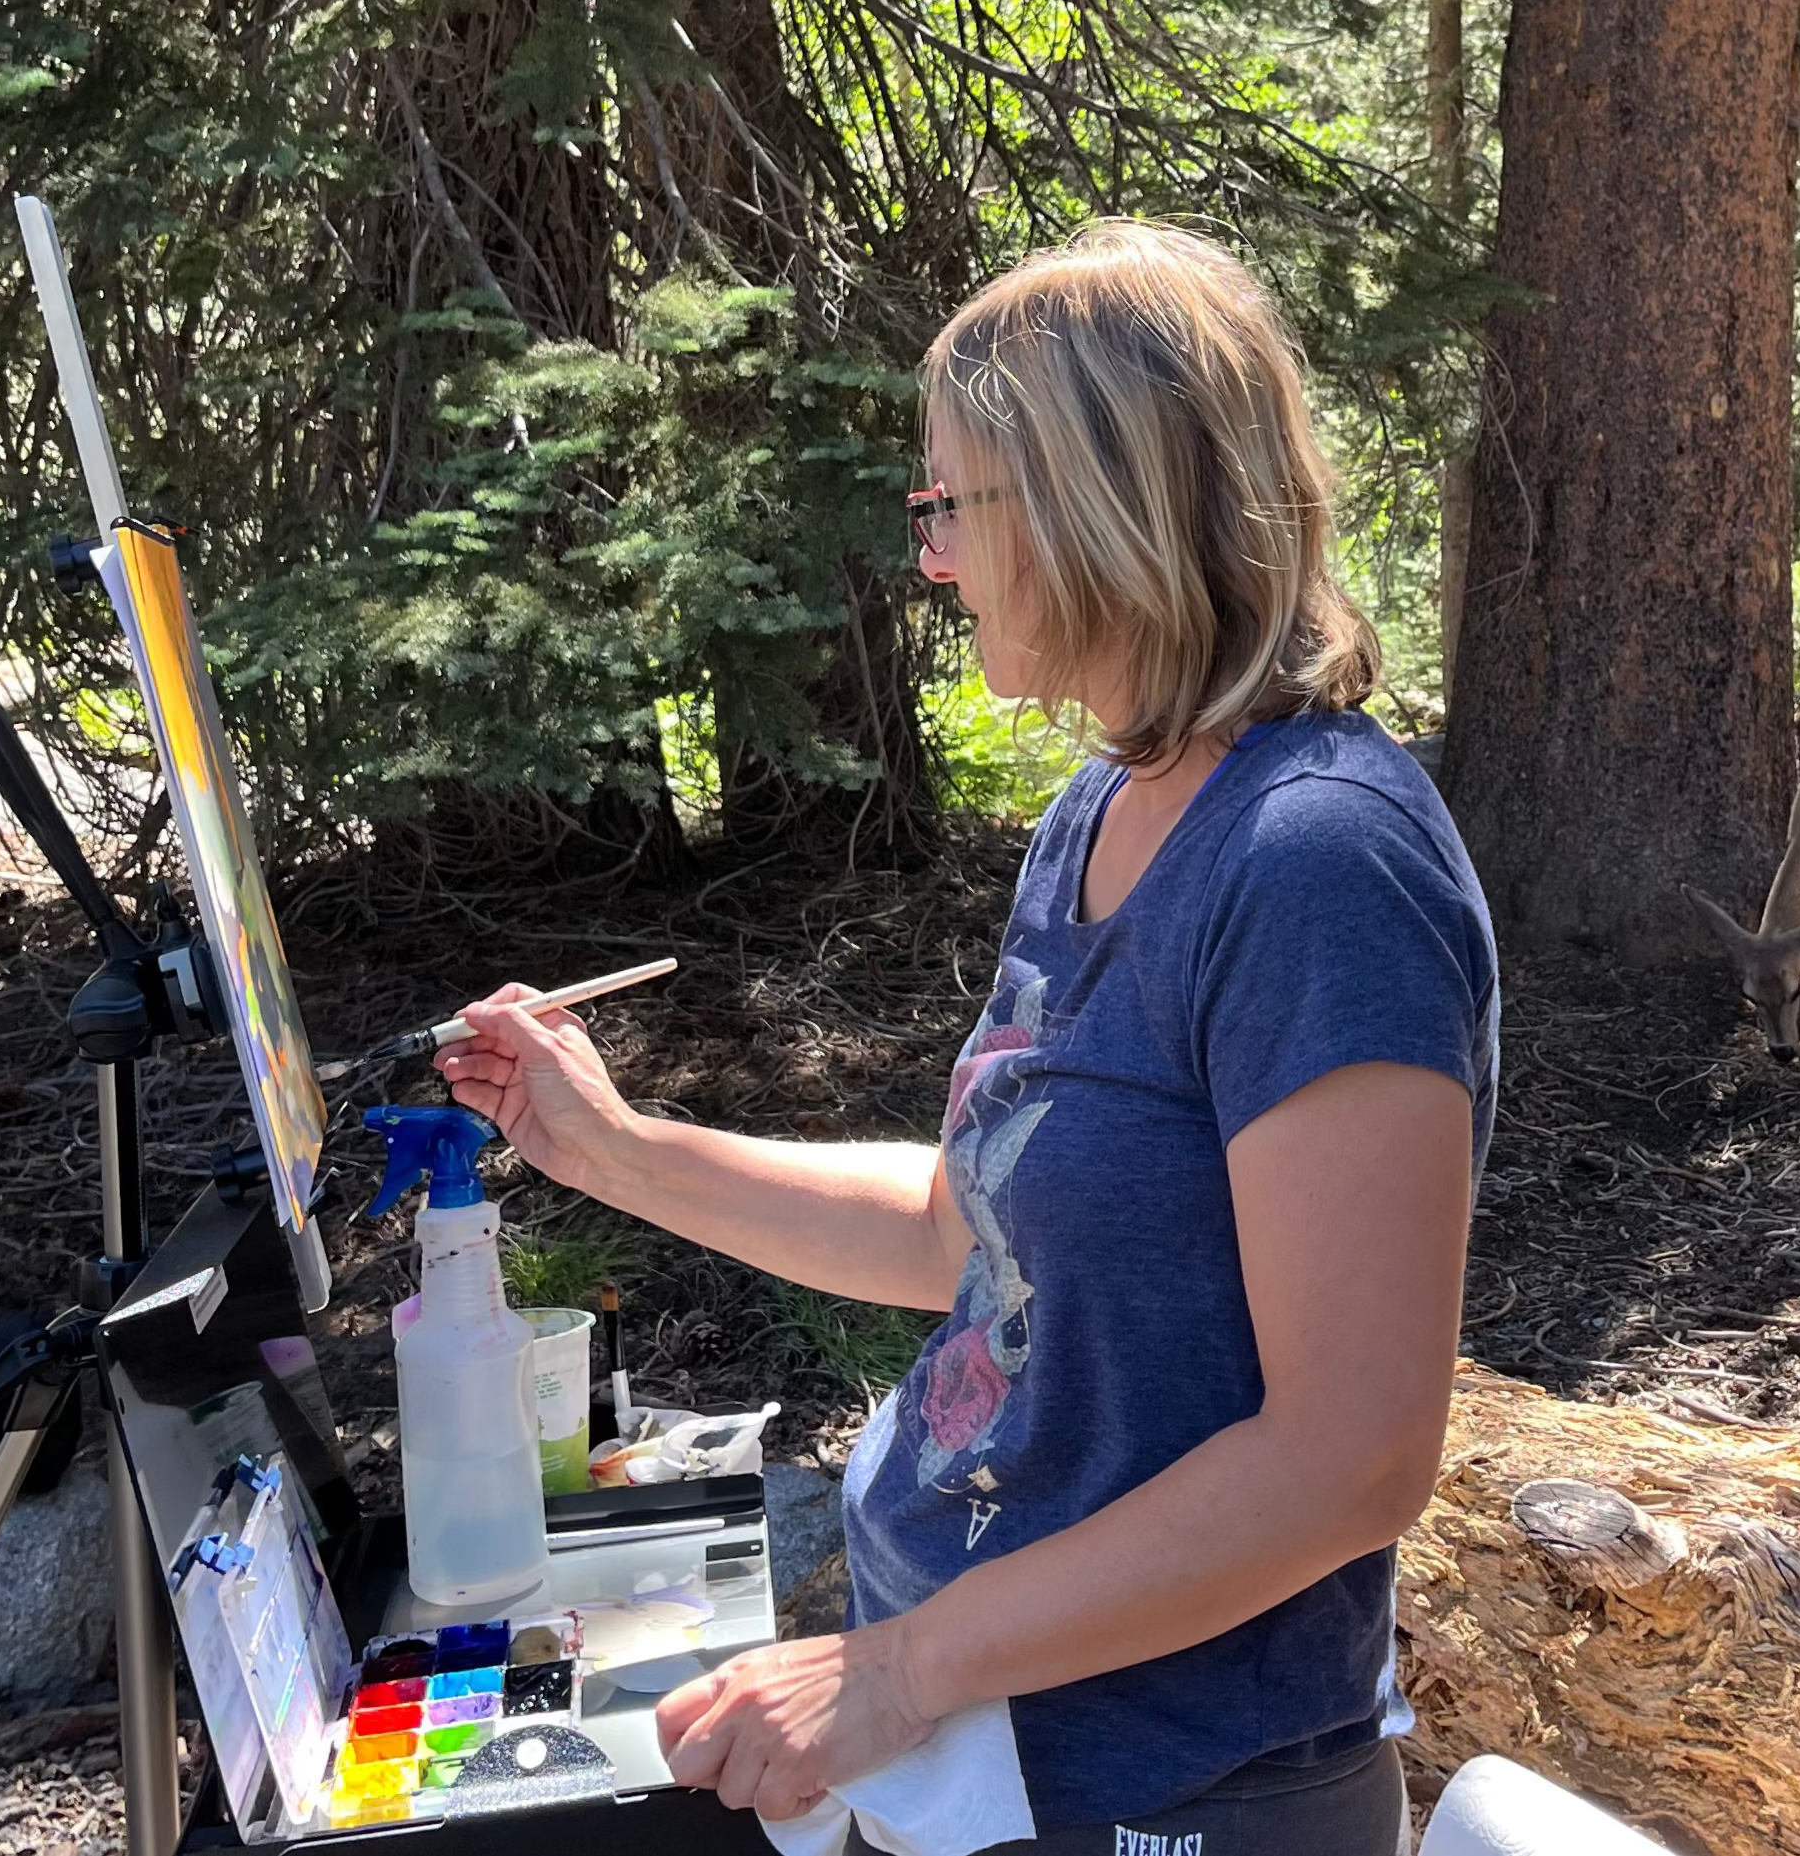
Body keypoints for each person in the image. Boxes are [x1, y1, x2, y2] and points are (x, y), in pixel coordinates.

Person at [437, 220, 1499, 1855]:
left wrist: (897, 1671)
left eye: (948, 506)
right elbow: (970, 1231)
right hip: (983, 1748)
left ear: (1098, 502)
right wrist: (611, 1151)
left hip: (1172, 1785)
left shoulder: (1318, 862)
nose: (929, 560)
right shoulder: (1102, 812)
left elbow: (1350, 1458)